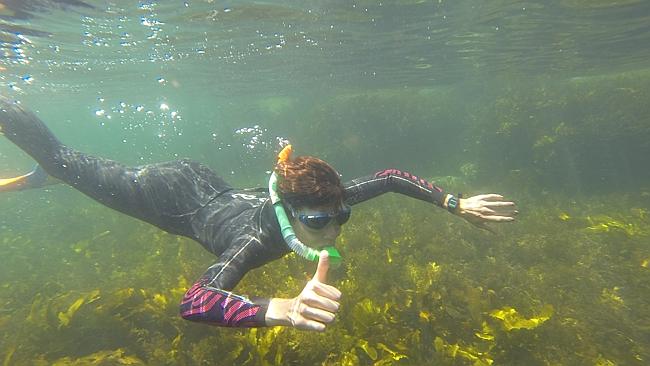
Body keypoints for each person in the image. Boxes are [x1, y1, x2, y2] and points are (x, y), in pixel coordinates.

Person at [0, 96, 517, 331]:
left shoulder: (322, 203)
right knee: (63, 157)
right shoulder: (251, 242)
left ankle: (62, 176)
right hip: (163, 195)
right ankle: (47, 157)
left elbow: (387, 178)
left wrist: (456, 204)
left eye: (342, 216)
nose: (334, 228)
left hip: (200, 179)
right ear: (290, 214)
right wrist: (278, 308)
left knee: (81, 169)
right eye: (320, 223)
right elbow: (195, 301)